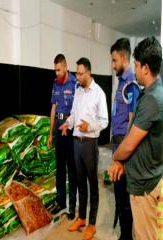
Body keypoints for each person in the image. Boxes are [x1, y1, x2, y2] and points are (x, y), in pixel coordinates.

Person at [109, 36, 163, 240]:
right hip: (145, 178)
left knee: (144, 236)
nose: (135, 68)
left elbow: (130, 143)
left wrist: (116, 159)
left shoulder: (152, 99)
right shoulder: (152, 91)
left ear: (146, 68)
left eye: (137, 65)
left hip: (144, 185)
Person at [60, 57, 108, 240]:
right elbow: (73, 114)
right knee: (80, 183)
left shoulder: (99, 94)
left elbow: (104, 121)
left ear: (88, 73)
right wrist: (67, 123)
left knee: (93, 185)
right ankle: (81, 218)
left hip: (89, 144)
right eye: (76, 73)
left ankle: (92, 224)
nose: (77, 77)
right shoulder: (78, 92)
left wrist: (91, 127)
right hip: (76, 143)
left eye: (80, 74)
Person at [109, 38, 140, 240]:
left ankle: (126, 236)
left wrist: (122, 157)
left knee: (124, 197)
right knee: (119, 195)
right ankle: (124, 233)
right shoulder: (122, 82)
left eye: (114, 61)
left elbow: (132, 120)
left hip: (123, 145)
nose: (112, 65)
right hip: (116, 143)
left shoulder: (130, 84)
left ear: (122, 57)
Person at [47, 54, 77, 220]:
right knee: (60, 168)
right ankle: (61, 202)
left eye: (59, 70)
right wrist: (50, 133)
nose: (57, 73)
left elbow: (78, 109)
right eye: (55, 70)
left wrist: (70, 125)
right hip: (59, 129)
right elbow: (53, 109)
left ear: (65, 67)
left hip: (71, 130)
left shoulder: (75, 83)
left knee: (72, 169)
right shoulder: (55, 84)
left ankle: (72, 206)